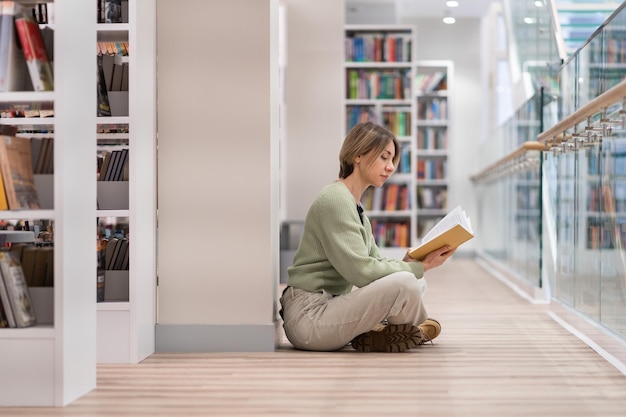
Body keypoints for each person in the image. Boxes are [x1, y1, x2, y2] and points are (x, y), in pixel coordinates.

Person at [279, 121, 456, 353]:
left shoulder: (355, 207)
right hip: (309, 318)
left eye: (392, 159)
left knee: (414, 282)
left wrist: (410, 263)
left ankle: (388, 330)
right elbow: (362, 273)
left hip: (328, 307)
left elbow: (376, 263)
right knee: (406, 282)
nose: (391, 167)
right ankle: (411, 328)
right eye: (384, 157)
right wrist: (418, 267)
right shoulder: (335, 200)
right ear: (358, 155)